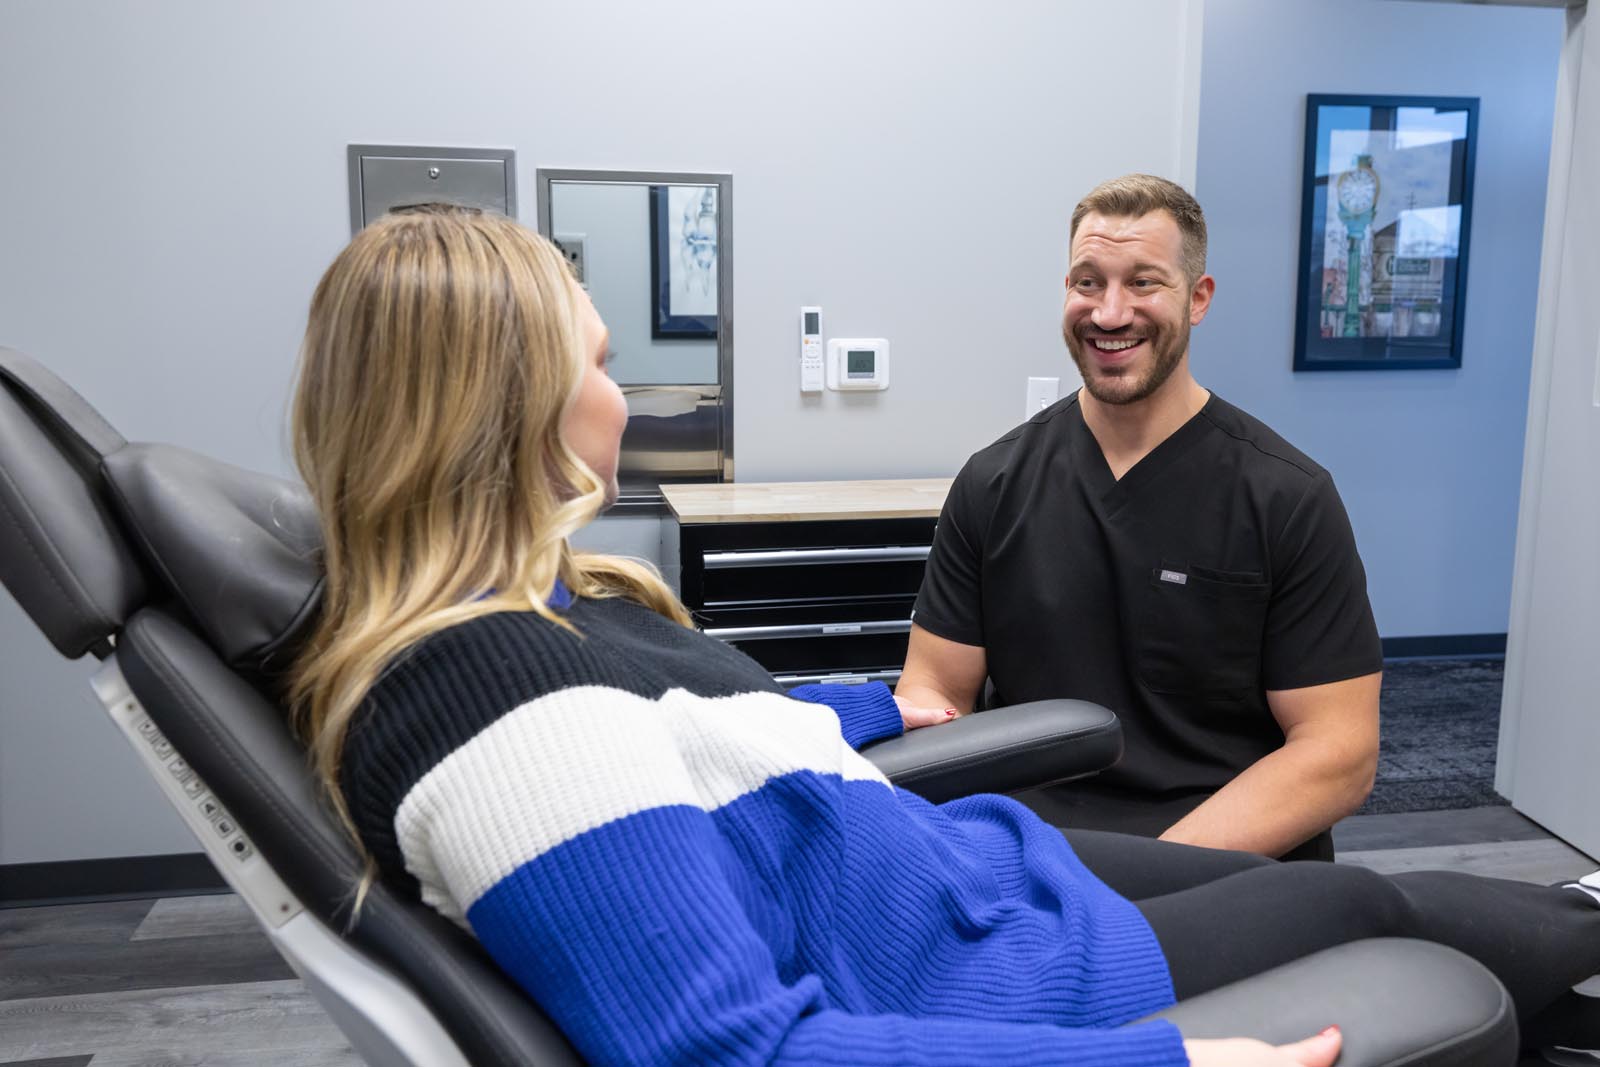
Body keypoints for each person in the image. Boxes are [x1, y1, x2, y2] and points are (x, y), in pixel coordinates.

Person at [288, 206, 1600, 1067]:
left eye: (1144, 279)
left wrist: (868, 708)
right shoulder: (490, 695)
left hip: (959, 871)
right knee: (1369, 900)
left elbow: (695, 736)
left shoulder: (547, 606)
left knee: (1345, 892)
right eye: (597, 362)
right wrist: (1176, 1058)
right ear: (505, 408)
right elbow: (733, 1052)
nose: (621, 396)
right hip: (978, 966)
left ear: (1197, 294)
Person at [896, 174, 1381, 861]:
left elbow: (1339, 753)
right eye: (1087, 282)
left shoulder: (1286, 498)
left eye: (1144, 283)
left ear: (1199, 298)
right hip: (1030, 855)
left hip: (1221, 863)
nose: (1110, 312)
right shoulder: (992, 483)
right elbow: (935, 687)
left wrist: (1148, 876)